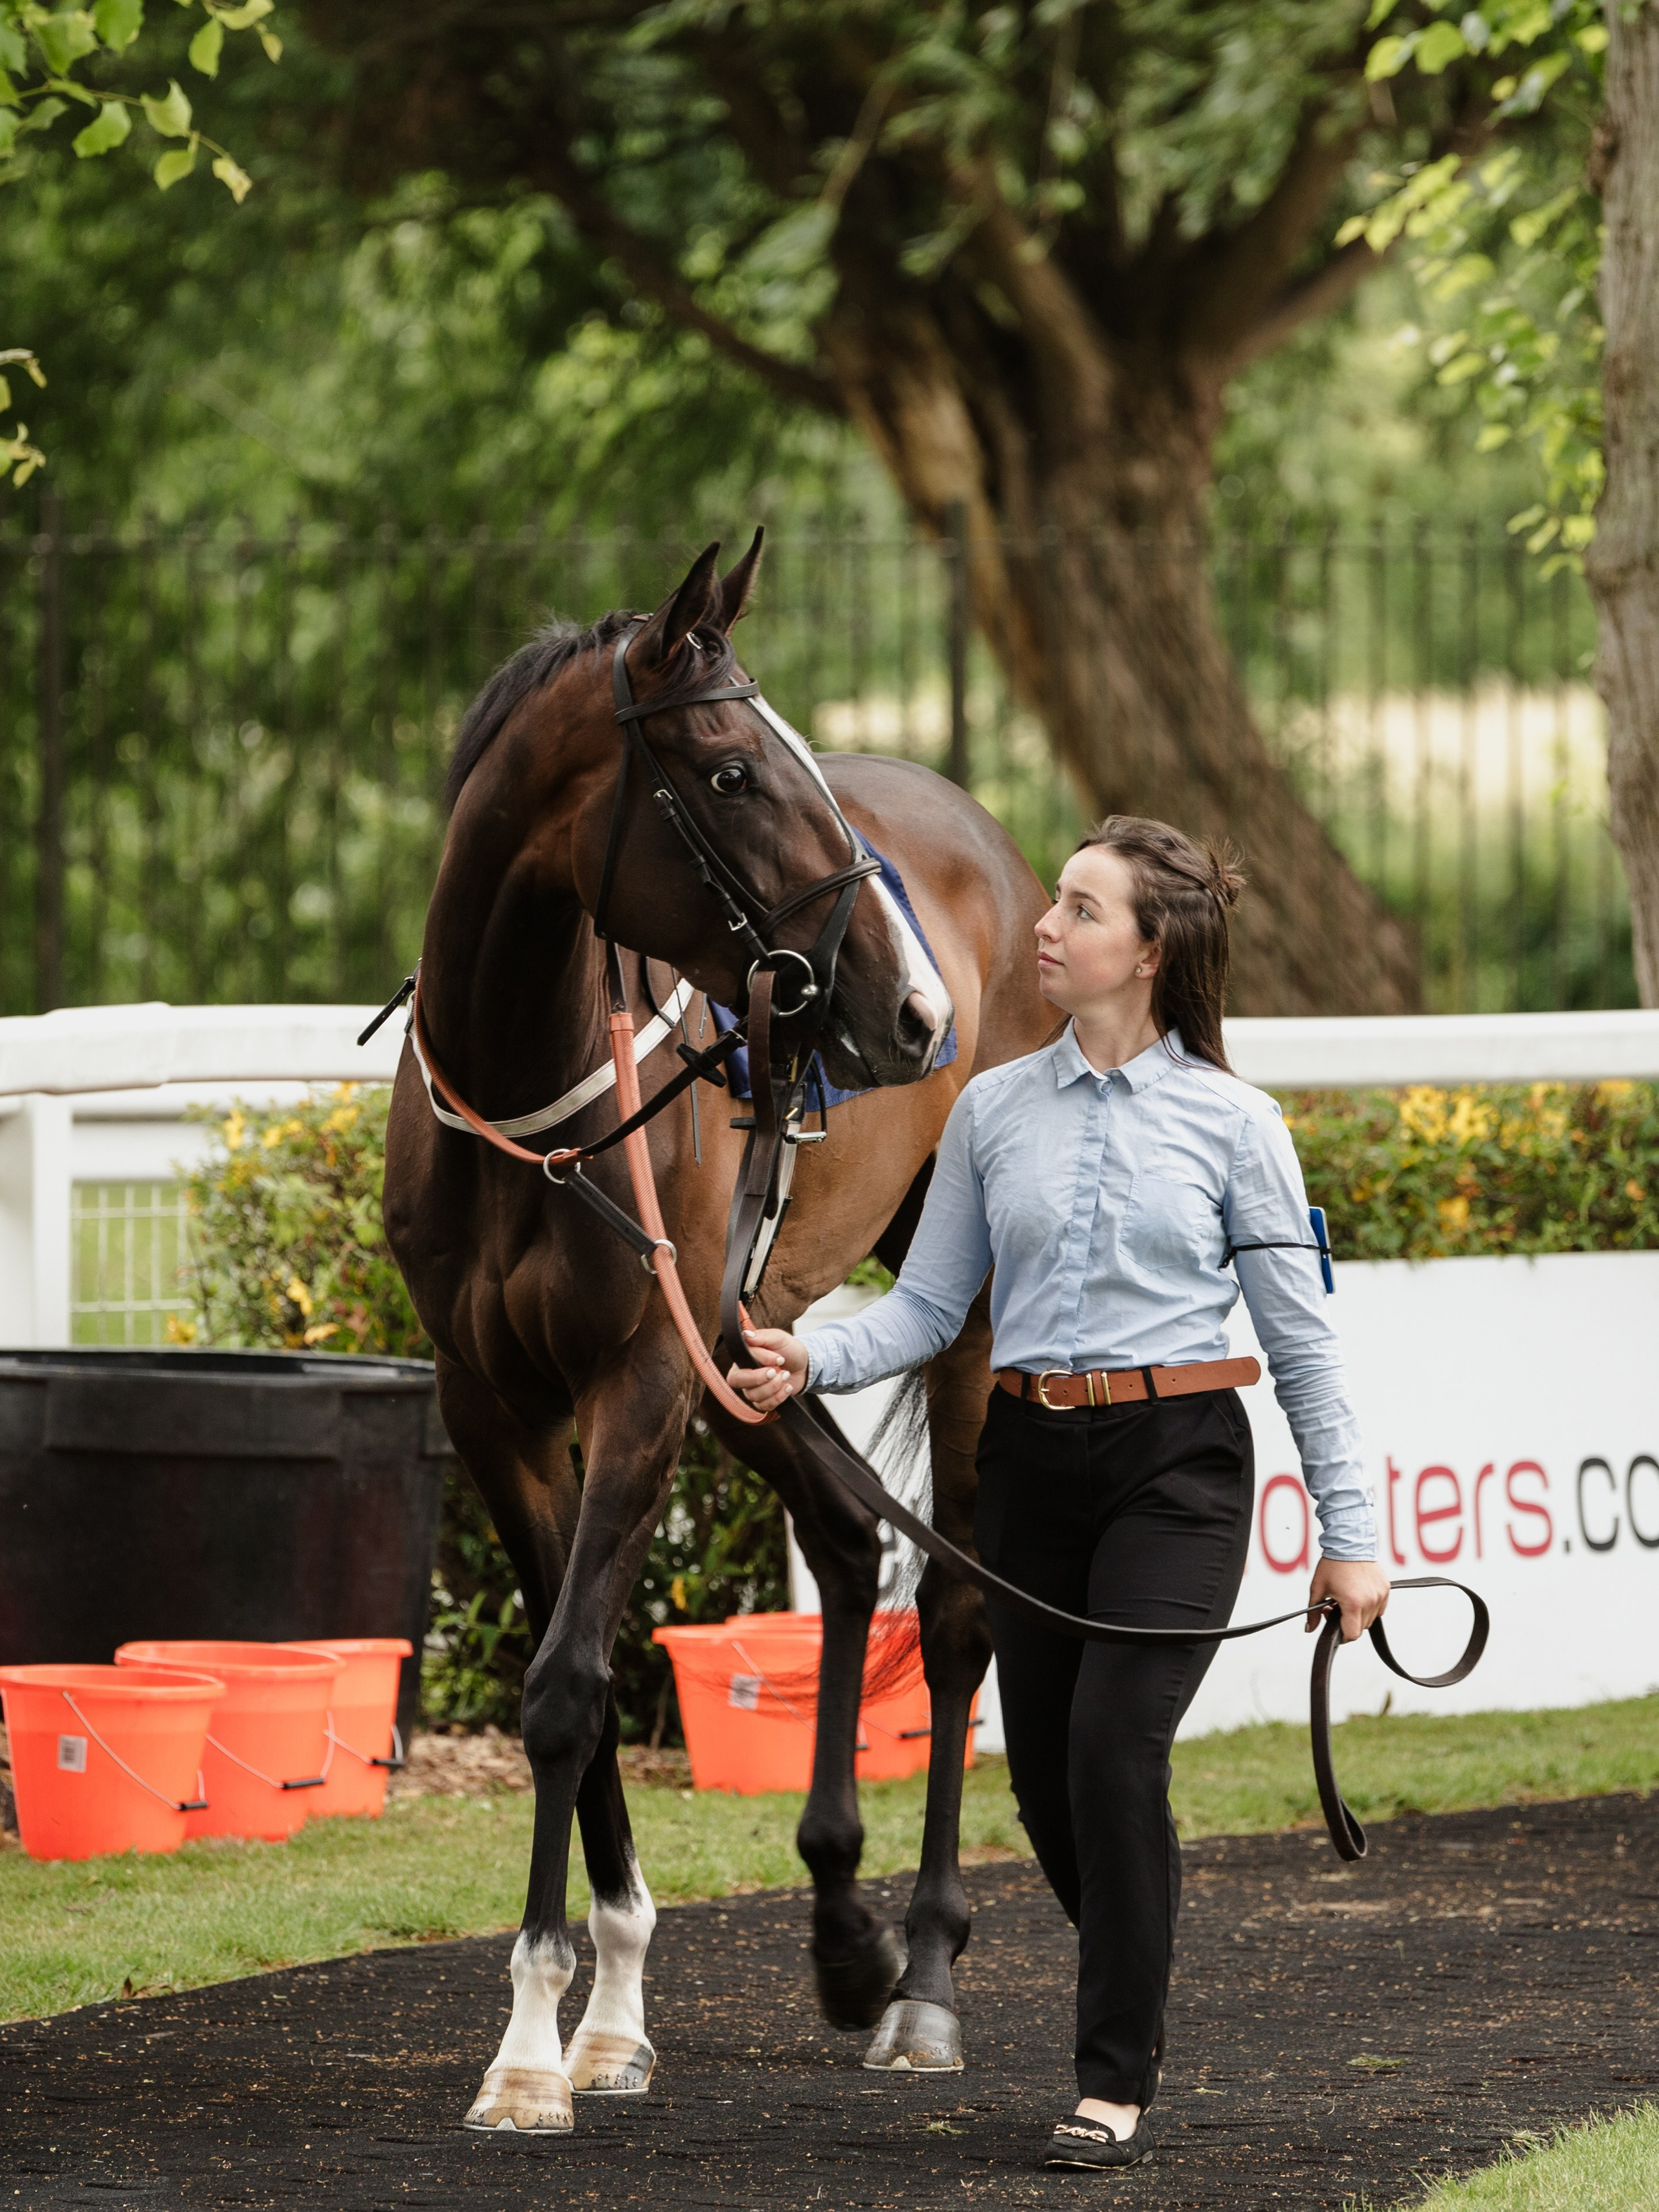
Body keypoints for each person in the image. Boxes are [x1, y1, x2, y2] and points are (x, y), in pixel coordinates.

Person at [729, 814, 1390, 2174]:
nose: (1045, 924)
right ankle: (1132, 1965)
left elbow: (1302, 1346)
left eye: (1079, 910)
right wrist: (810, 1355)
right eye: (1059, 904)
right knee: (1041, 1785)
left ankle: (1109, 2081)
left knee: (1109, 1750)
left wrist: (1353, 1540)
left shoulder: (1235, 1125)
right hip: (1026, 1468)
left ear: (1148, 953)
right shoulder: (986, 1110)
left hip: (1177, 1472)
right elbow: (923, 1307)